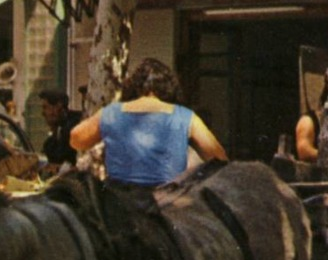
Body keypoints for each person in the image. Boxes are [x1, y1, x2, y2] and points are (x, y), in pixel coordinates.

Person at [68, 57, 226, 187]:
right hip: (169, 201)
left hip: (121, 201)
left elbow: (76, 139)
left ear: (132, 86)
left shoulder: (111, 113)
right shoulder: (185, 116)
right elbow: (219, 157)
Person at [37, 89, 81, 170]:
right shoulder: (59, 130)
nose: (43, 113)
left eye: (45, 107)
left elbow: (60, 157)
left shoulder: (72, 127)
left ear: (57, 107)